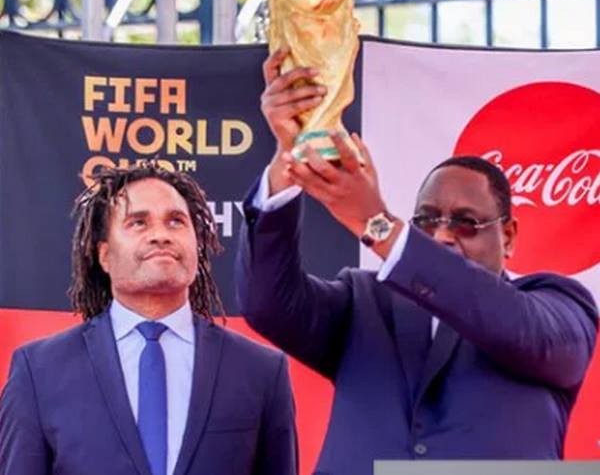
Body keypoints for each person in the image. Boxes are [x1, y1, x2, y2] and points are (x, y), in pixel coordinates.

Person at [235, 49, 598, 475]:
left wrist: (377, 224)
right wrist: (288, 160)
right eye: (426, 220)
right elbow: (267, 304)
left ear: (509, 236)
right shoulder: (366, 302)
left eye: (466, 222)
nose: (442, 235)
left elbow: (509, 322)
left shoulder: (559, 306)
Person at [0, 162, 297, 475]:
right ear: (104, 255)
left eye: (175, 221)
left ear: (198, 246)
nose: (160, 235)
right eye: (138, 222)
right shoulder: (39, 371)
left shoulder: (261, 371)